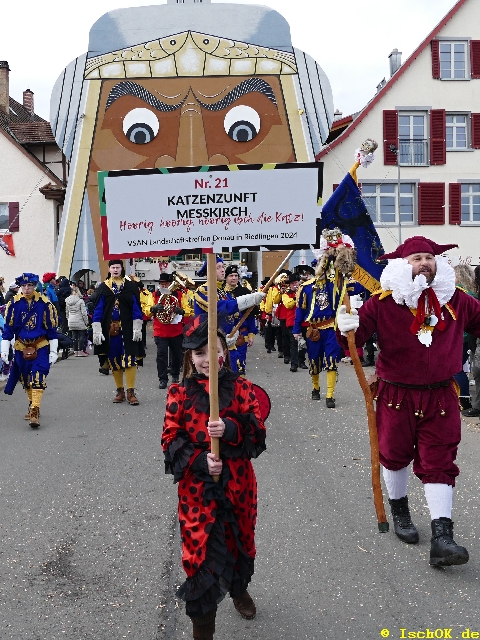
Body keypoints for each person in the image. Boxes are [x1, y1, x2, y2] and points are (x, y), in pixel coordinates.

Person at [337, 235, 480, 567]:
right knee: (394, 455)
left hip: (441, 396)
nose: (424, 263)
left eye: (429, 258)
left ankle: (442, 537)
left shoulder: (456, 299)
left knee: (440, 460)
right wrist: (345, 327)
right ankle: (400, 510)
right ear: (403, 265)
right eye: (417, 258)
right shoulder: (382, 302)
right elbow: (354, 342)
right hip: (396, 394)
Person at [161, 318, 266, 640]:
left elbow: (257, 432)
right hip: (198, 491)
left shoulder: (243, 387)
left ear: (224, 353)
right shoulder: (179, 392)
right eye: (199, 353)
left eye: (214, 351)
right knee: (201, 554)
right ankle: (202, 631)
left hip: (239, 485)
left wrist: (231, 429)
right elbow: (170, 438)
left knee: (240, 541)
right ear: (190, 358)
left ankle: (238, 589)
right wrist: (200, 461)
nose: (207, 359)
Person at [293, 228, 359, 407]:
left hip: (331, 328)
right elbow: (300, 310)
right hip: (314, 329)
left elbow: (353, 286)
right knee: (314, 362)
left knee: (331, 361)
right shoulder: (306, 287)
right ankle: (316, 388)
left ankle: (330, 395)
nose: (325, 268)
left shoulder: (336, 284)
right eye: (322, 265)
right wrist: (296, 330)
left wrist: (342, 260)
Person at [1, 272, 58, 428]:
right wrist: (4, 349)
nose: (27, 288)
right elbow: (8, 329)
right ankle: (32, 403)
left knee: (38, 376)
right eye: (24, 286)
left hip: (40, 346)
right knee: (25, 379)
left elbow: (52, 329)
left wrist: (53, 351)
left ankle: (34, 410)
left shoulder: (45, 304)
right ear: (20, 287)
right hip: (21, 347)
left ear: (35, 286)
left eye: (30, 285)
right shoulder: (13, 304)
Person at [194, 256, 264, 373]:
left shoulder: (222, 292)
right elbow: (218, 308)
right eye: (218, 267)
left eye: (222, 267)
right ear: (209, 271)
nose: (222, 270)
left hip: (228, 344)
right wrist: (248, 300)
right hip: (211, 344)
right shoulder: (204, 290)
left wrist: (237, 332)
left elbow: (236, 315)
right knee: (217, 378)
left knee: (233, 375)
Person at [92, 260, 145, 405]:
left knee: (130, 359)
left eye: (118, 267)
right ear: (109, 269)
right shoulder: (104, 287)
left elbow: (136, 307)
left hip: (128, 329)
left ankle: (131, 392)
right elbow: (98, 309)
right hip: (111, 330)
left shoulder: (130, 286)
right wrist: (96, 329)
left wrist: (137, 327)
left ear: (122, 269)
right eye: (113, 267)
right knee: (114, 360)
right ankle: (120, 391)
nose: (115, 270)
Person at [152, 273, 192, 389]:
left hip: (176, 331)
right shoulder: (155, 295)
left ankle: (175, 375)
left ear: (171, 284)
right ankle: (162, 379)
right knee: (161, 355)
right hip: (160, 331)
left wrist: (182, 311)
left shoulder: (179, 295)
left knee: (177, 355)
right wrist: (153, 308)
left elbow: (188, 309)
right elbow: (147, 310)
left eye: (166, 284)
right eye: (161, 284)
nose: (163, 286)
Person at [223, 265, 257, 375]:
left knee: (239, 364)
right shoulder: (220, 292)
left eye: (236, 275)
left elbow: (250, 315)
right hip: (223, 334)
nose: (234, 278)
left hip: (241, 334)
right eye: (231, 276)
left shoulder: (245, 292)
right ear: (226, 277)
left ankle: (239, 385)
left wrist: (251, 334)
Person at [453, 264, 477, 410]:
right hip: (469, 337)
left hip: (461, 336)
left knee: (457, 369)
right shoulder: (472, 293)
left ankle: (464, 399)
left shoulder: (459, 294)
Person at [282, 272, 301, 372]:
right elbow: (288, 305)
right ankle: (294, 364)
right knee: (294, 343)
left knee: (304, 343)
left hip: (303, 321)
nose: (295, 285)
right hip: (292, 322)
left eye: (296, 282)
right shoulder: (286, 295)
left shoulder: (303, 292)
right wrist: (296, 297)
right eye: (293, 283)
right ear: (290, 285)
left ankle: (302, 361)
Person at [66, 285, 89, 356]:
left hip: (71, 320)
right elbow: (84, 313)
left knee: (74, 336)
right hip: (80, 320)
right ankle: (81, 351)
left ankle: (75, 351)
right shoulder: (80, 301)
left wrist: (68, 319)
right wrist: (86, 321)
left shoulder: (68, 301)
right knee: (82, 336)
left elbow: (67, 312)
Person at [138, 281, 155, 349]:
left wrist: (143, 310)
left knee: (143, 330)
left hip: (143, 314)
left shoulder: (146, 293)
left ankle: (143, 344)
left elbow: (147, 303)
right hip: (136, 313)